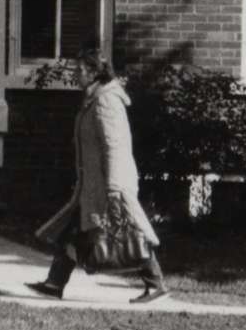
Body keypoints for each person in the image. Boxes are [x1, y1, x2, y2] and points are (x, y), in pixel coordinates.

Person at [28, 45, 169, 304]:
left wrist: (114, 188)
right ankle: (54, 283)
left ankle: (156, 284)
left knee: (127, 232)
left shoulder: (105, 101)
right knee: (76, 231)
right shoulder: (94, 98)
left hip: (110, 184)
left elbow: (114, 146)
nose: (75, 75)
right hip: (93, 184)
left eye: (79, 70)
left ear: (94, 72)